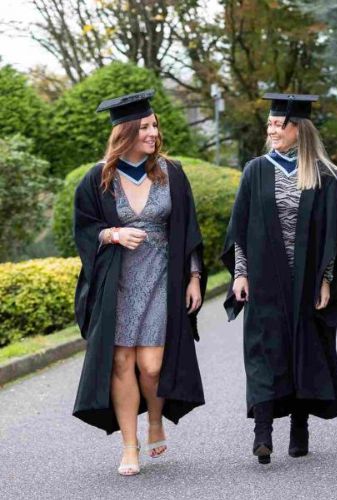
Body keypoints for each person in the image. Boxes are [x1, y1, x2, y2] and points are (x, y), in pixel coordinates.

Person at [72, 89, 206, 476]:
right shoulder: (99, 178)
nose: (153, 133)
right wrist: (114, 234)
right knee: (120, 362)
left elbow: (188, 227)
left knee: (151, 366)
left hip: (162, 276)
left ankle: (155, 421)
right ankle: (129, 446)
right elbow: (84, 229)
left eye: (154, 126)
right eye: (145, 127)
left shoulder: (171, 172)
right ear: (126, 132)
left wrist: (194, 276)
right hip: (117, 282)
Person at [222, 93, 337, 465]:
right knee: (263, 352)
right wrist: (240, 273)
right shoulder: (256, 170)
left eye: (278, 124)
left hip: (307, 282)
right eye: (269, 124)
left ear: (298, 129)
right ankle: (262, 433)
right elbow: (239, 227)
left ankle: (300, 427)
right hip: (264, 279)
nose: (271, 130)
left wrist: (326, 278)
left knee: (304, 351)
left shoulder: (327, 176)